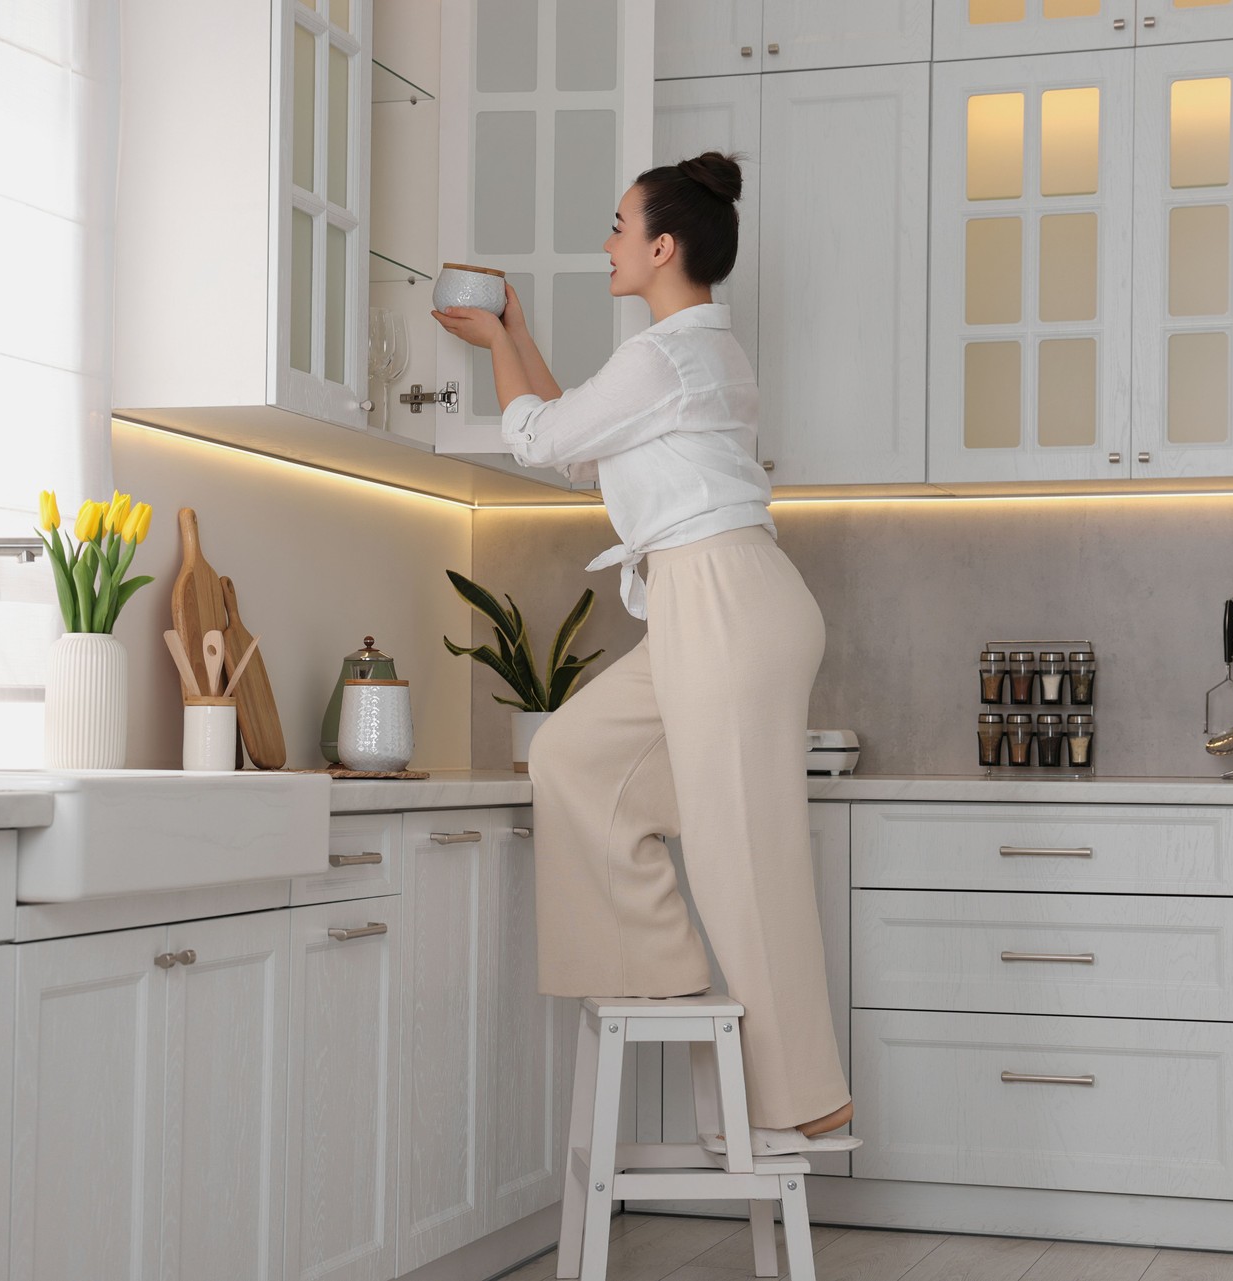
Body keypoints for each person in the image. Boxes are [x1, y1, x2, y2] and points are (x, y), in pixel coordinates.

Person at [432, 151, 855, 1157]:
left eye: (619, 225)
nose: (608, 242)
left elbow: (536, 440)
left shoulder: (664, 356)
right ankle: (664, 972)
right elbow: (579, 446)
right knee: (573, 756)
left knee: (741, 849)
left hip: (725, 599)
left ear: (663, 248)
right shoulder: (684, 356)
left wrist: (497, 345)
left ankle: (804, 1100)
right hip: (712, 600)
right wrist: (518, 336)